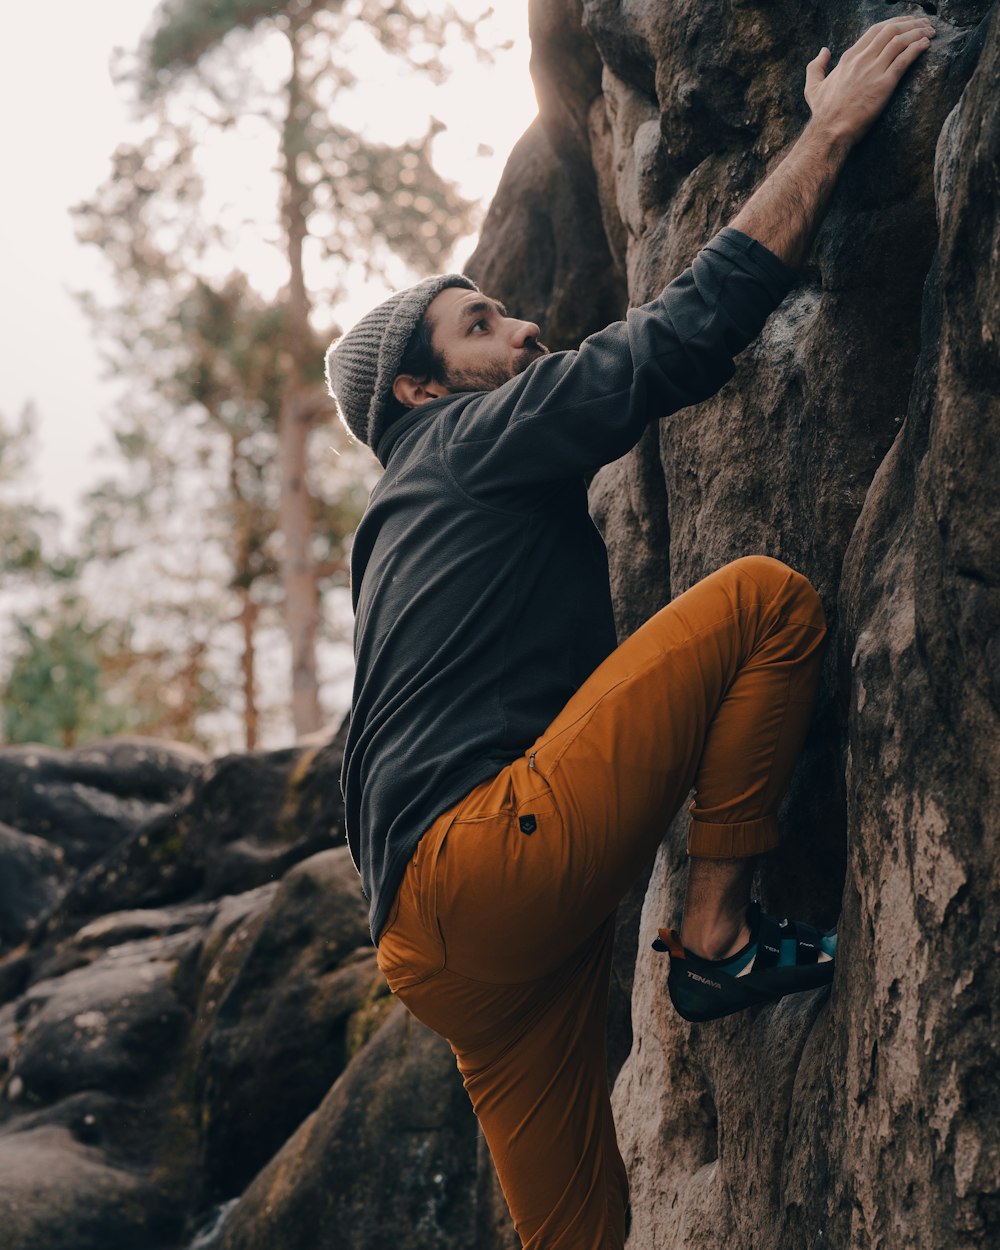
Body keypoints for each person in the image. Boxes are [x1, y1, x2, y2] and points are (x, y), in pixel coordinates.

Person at [324, 17, 934, 1249]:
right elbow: (680, 334)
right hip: (482, 863)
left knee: (578, 1236)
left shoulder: (394, 529)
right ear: (420, 388)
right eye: (482, 322)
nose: (525, 328)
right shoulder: (466, 438)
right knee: (766, 599)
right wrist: (824, 135)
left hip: (426, 946)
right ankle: (713, 938)